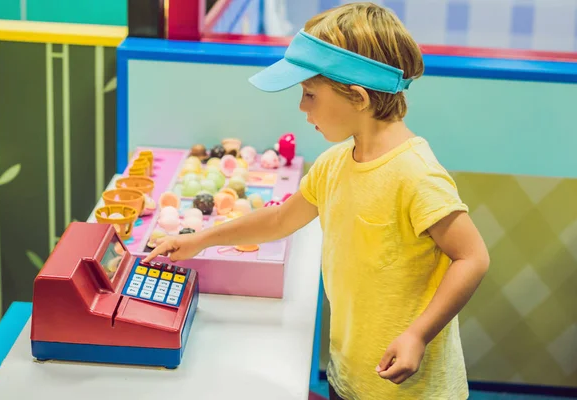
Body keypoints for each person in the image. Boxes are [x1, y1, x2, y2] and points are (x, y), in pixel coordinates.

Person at [145, 2, 489, 399]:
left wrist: (418, 334)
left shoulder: (416, 174)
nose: (302, 107)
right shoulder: (334, 164)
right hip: (352, 375)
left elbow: (473, 257)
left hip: (412, 389)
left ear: (358, 97)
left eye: (309, 94)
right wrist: (199, 240)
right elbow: (278, 221)